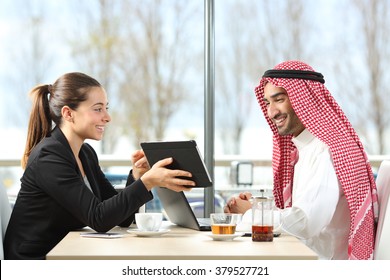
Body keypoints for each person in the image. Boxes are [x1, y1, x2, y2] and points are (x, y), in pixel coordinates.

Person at [4, 72, 195, 260]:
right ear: (68, 113)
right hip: (35, 261)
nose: (107, 117)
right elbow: (99, 219)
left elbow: (120, 218)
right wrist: (147, 182)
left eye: (106, 108)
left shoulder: (85, 154)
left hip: (65, 253)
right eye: (98, 109)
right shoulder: (49, 157)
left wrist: (137, 177)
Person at [225, 60, 378, 260]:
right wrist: (254, 207)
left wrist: (252, 215)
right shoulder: (305, 148)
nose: (271, 112)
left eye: (278, 99)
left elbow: (306, 222)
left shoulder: (328, 150)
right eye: (267, 103)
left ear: (305, 100)